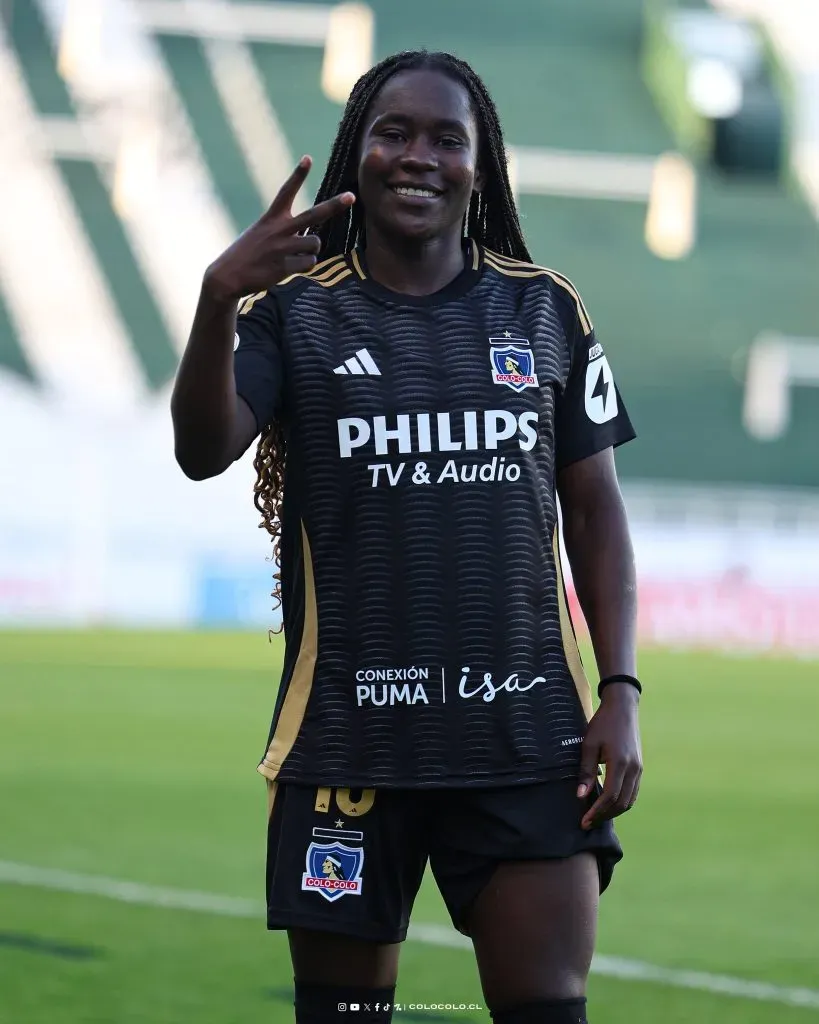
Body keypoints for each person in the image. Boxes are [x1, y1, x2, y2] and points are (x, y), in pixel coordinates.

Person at [171, 49, 642, 1024]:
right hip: (349, 742)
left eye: (445, 138)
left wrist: (621, 690)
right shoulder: (295, 312)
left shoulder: (544, 308)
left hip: (525, 741)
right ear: (358, 152)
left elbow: (596, 513)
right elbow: (201, 450)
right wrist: (218, 298)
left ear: (481, 164)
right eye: (393, 133)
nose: (418, 156)